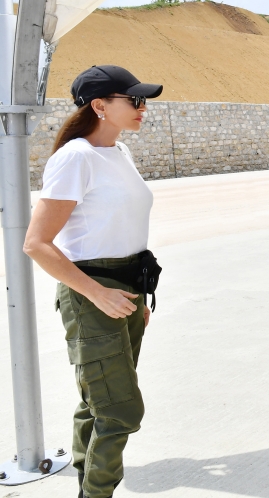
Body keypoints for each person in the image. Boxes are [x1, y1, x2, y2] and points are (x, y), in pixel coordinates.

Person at [23, 65, 163, 498]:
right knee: (121, 410)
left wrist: (137, 297)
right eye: (133, 100)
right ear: (99, 105)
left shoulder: (120, 152)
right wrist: (98, 294)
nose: (142, 107)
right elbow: (36, 243)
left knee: (98, 403)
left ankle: (88, 485)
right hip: (92, 296)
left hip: (126, 292)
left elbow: (121, 230)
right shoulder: (75, 158)